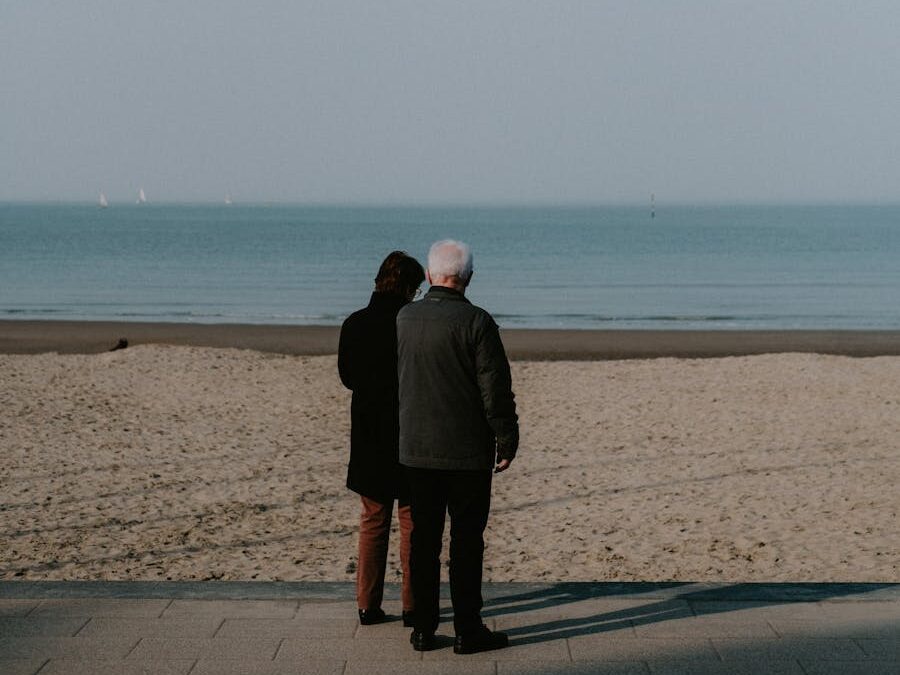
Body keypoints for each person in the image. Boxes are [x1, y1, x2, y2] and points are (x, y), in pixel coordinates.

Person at [397, 239, 519, 654]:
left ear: (431, 275)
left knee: (424, 541)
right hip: (466, 452)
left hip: (417, 448)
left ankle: (423, 627)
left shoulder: (405, 318)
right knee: (467, 543)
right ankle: (468, 628)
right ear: (467, 277)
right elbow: (495, 389)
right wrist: (506, 437)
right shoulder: (478, 322)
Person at [338, 250, 425, 626]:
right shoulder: (412, 323)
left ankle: (367, 604)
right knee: (411, 521)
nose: (416, 295)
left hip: (371, 432)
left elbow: (348, 377)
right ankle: (413, 606)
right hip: (409, 430)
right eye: (416, 288)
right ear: (407, 286)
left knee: (373, 519)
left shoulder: (355, 323)